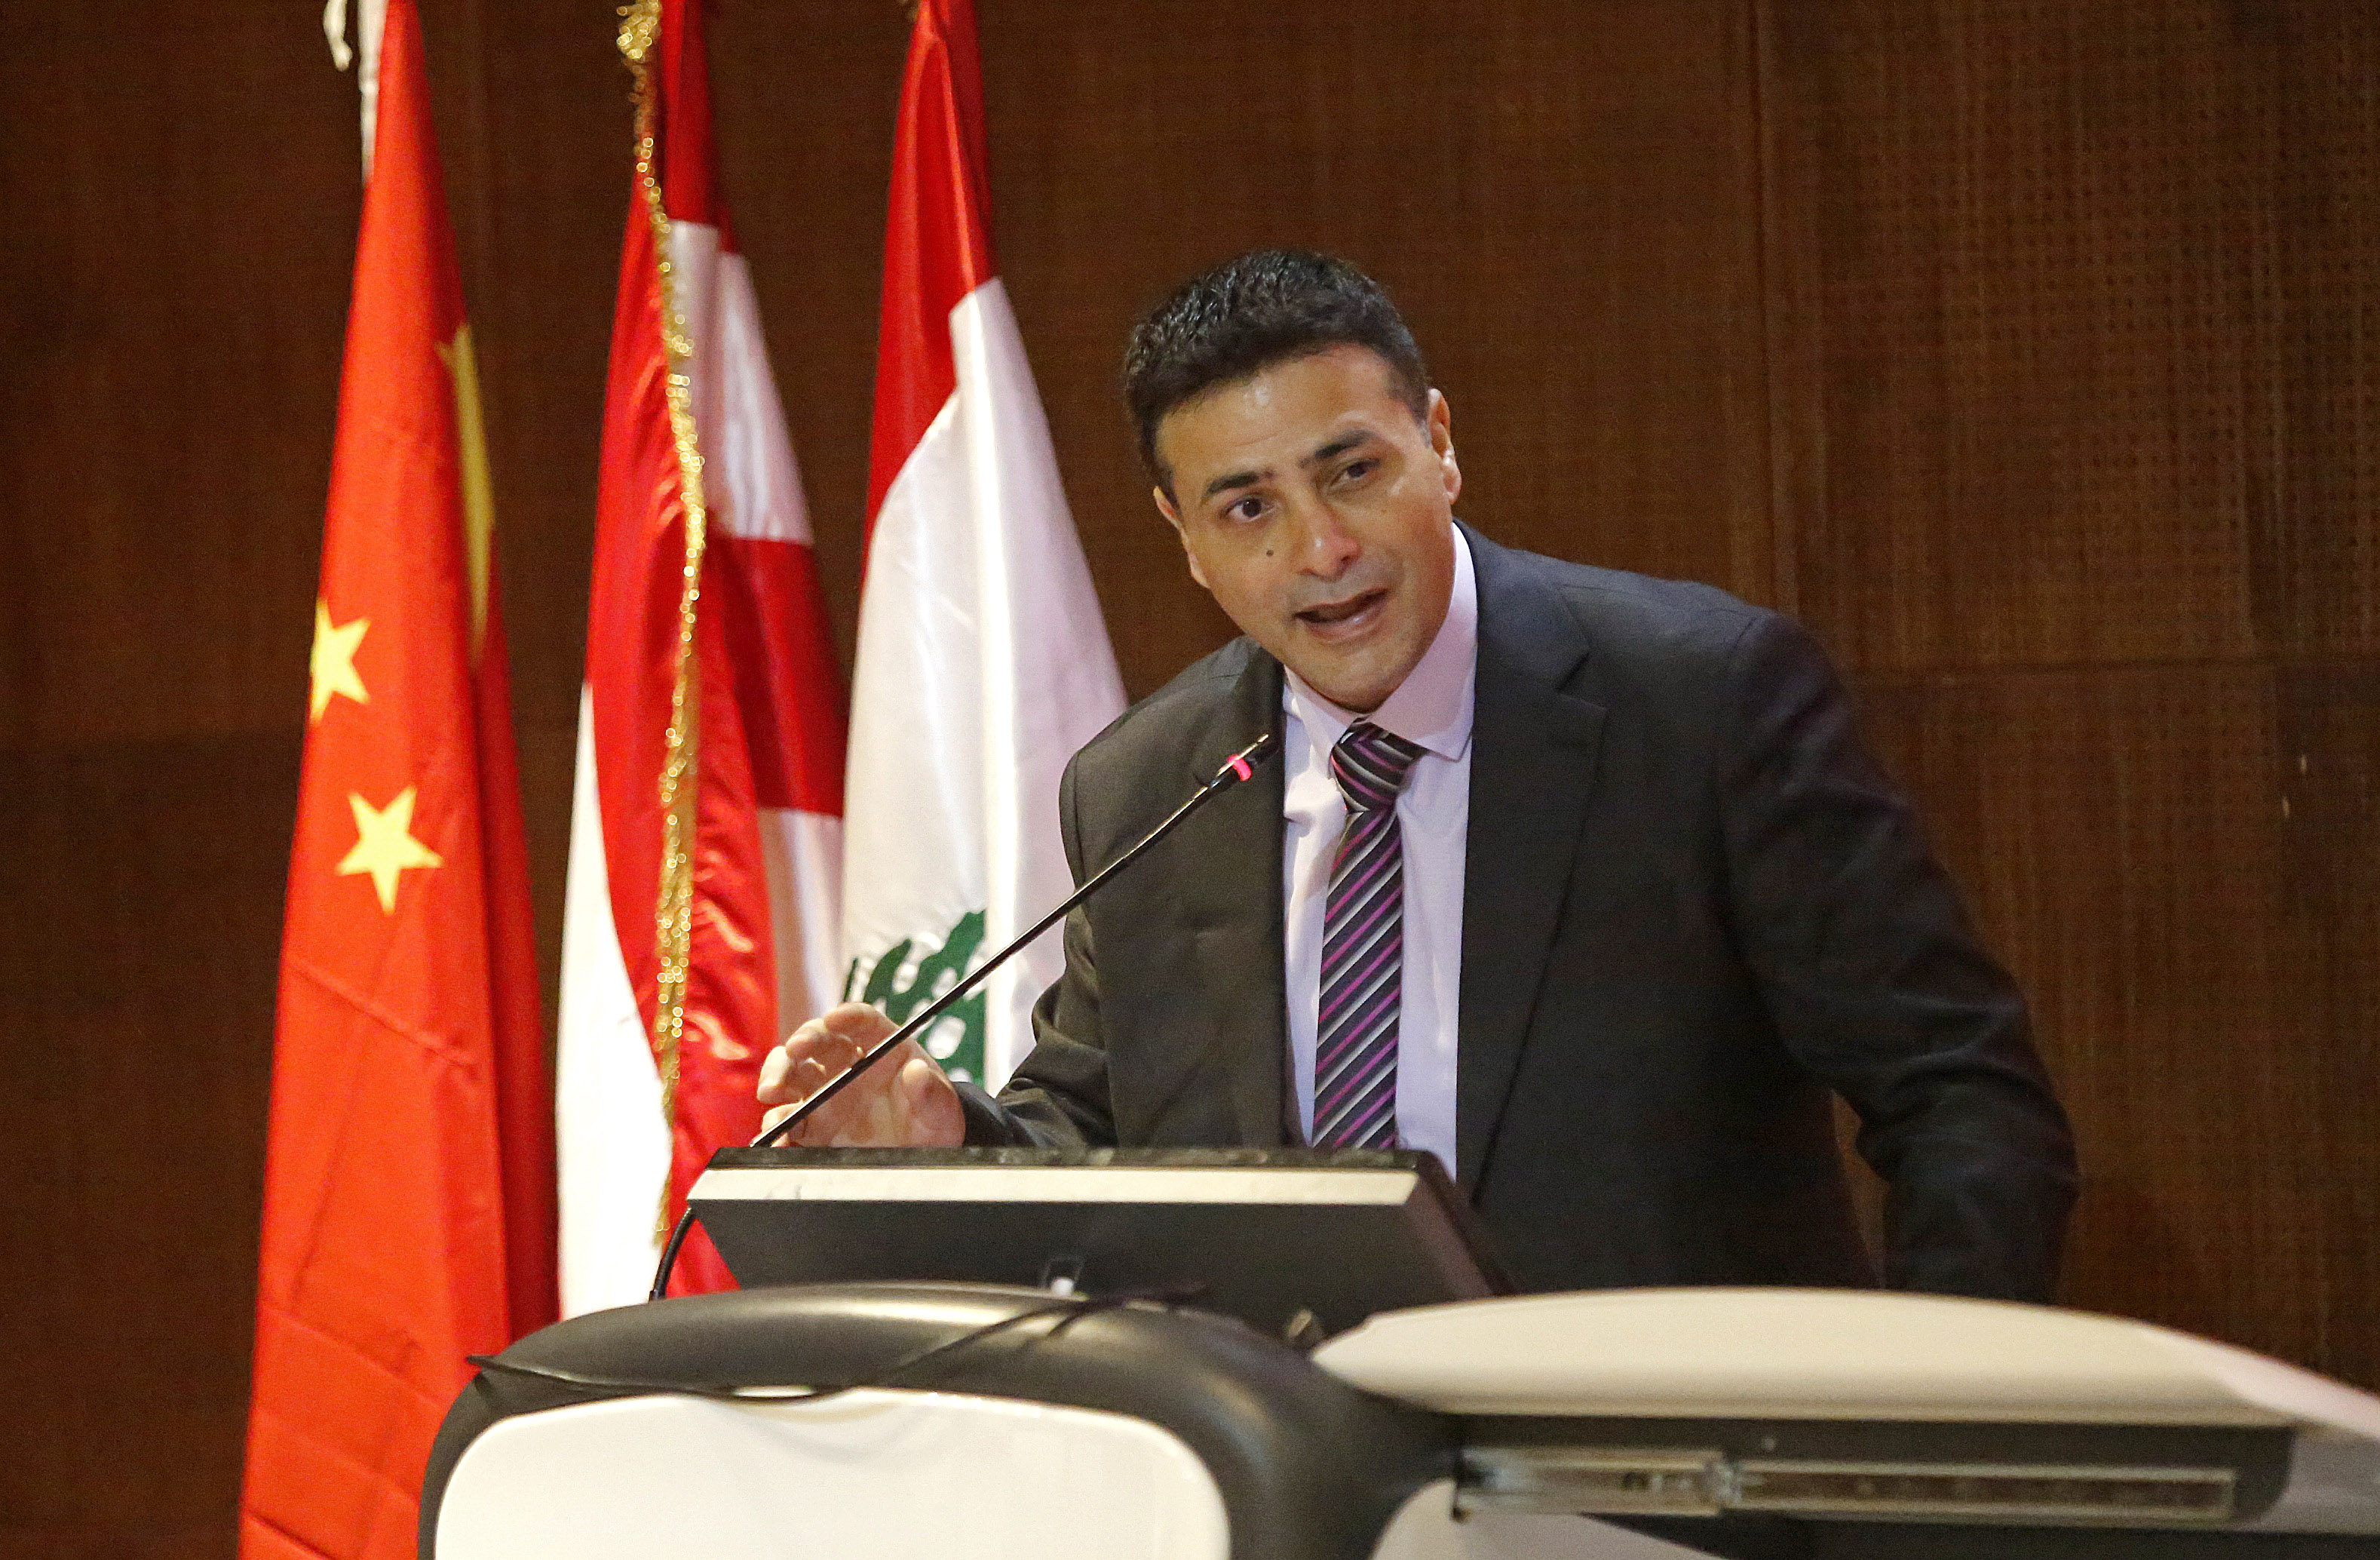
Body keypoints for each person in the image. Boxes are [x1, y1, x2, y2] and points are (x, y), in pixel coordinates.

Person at [759, 250, 2077, 1301]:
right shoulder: (1147, 783)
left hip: (1663, 1479)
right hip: (1297, 1473)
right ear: (1185, 537)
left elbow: (1960, 1096)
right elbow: (1107, 1136)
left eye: (1353, 473)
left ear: (1438, 444)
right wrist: (951, 1142)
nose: (1322, 549)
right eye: (1249, 507)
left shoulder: (1700, 704)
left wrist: (1918, 1440)